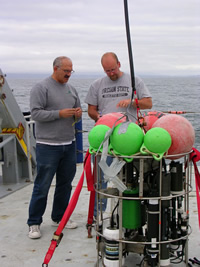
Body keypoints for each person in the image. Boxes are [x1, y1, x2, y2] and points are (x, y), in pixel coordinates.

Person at [85, 52, 152, 219]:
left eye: (113, 69)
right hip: (106, 138)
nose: (111, 73)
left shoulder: (134, 81)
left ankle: (135, 214)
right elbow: (91, 110)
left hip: (130, 137)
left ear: (119, 64)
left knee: (134, 176)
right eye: (107, 70)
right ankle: (97, 215)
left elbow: (148, 103)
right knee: (101, 177)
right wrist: (100, 119)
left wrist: (131, 102)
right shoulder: (96, 85)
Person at [27, 56, 82, 239]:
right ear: (55, 68)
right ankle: (34, 222)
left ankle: (59, 217)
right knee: (42, 185)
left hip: (68, 143)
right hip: (48, 145)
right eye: (66, 71)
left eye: (70, 71)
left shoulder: (71, 89)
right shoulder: (41, 87)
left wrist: (77, 115)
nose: (68, 74)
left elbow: (77, 115)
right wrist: (59, 114)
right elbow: (35, 113)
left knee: (65, 184)